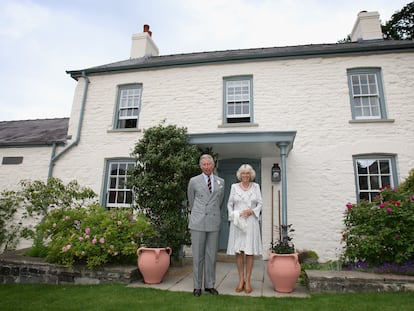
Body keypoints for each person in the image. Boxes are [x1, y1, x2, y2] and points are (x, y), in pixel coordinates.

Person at [187, 154, 225, 297]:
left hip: (213, 222)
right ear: (200, 166)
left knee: (211, 255)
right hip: (198, 222)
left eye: (209, 164)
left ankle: (210, 285)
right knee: (197, 256)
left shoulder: (221, 181)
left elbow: (220, 201)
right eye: (204, 164)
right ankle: (197, 287)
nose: (207, 166)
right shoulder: (194, 181)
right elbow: (191, 199)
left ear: (213, 165)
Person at [226, 164, 263, 294]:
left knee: (249, 251)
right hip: (238, 223)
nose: (245, 175)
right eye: (243, 173)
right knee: (239, 251)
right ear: (240, 175)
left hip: (251, 223)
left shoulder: (256, 187)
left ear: (251, 174)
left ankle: (248, 280)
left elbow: (260, 203)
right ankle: (240, 280)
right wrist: (234, 215)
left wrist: (251, 211)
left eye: (248, 173)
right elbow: (229, 203)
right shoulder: (234, 187)